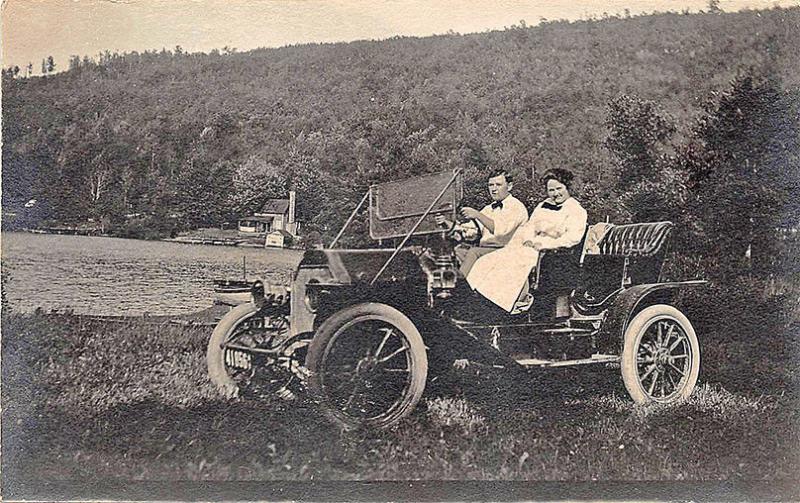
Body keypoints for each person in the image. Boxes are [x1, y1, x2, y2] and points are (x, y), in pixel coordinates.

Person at [466, 168, 588, 313]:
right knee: (491, 258)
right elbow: (530, 226)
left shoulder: (576, 210)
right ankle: (478, 297)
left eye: (559, 189)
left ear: (567, 188)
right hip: (530, 246)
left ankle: (506, 302)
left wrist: (542, 244)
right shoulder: (543, 205)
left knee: (513, 261)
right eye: (551, 190)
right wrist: (528, 240)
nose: (555, 194)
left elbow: (572, 238)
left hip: (552, 252)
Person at [436, 169, 528, 277]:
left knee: (474, 252)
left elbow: (501, 231)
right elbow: (469, 230)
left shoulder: (516, 207)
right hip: (487, 251)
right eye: (491, 185)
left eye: (498, 185)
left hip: (508, 253)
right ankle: (446, 284)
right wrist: (445, 222)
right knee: (458, 250)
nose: (493, 189)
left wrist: (478, 215)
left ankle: (460, 286)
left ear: (509, 186)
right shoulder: (488, 209)